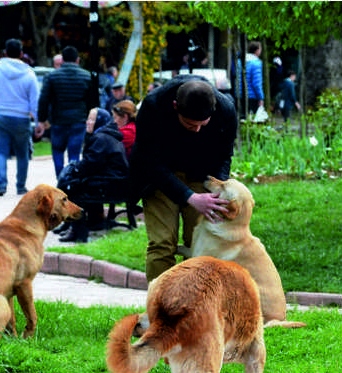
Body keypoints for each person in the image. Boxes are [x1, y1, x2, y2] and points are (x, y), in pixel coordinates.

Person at [128, 75, 238, 282]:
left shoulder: (225, 109)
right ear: (175, 107)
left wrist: (218, 188)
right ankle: (159, 299)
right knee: (162, 243)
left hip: (201, 175)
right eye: (190, 124)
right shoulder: (153, 105)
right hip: (159, 177)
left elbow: (224, 156)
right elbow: (148, 161)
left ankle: (195, 297)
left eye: (203, 124)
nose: (197, 130)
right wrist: (189, 196)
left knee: (198, 243)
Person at [57, 108, 128, 243]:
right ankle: (86, 223)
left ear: (100, 121)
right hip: (115, 182)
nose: (88, 122)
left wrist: (75, 171)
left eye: (91, 119)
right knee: (76, 182)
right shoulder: (103, 135)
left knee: (73, 188)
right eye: (88, 119)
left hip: (113, 185)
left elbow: (91, 164)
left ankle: (79, 233)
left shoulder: (101, 138)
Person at [0, 38, 40, 196]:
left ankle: (1, 185)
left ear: (5, 53)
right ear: (21, 54)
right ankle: (21, 186)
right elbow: (35, 101)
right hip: (21, 117)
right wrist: (37, 121)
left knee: (0, 151)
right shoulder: (29, 73)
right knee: (22, 153)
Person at [38, 45, 92, 178]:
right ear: (77, 60)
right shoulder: (86, 76)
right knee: (74, 152)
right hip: (78, 119)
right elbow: (91, 101)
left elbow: (44, 99)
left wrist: (42, 119)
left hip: (58, 120)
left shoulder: (52, 76)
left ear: (62, 60)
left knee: (57, 151)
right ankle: (72, 180)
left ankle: (60, 179)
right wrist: (90, 118)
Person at [246, 41, 264, 115]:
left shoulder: (241, 61)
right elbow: (256, 83)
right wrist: (260, 98)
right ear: (257, 50)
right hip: (252, 96)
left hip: (240, 95)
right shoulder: (256, 63)